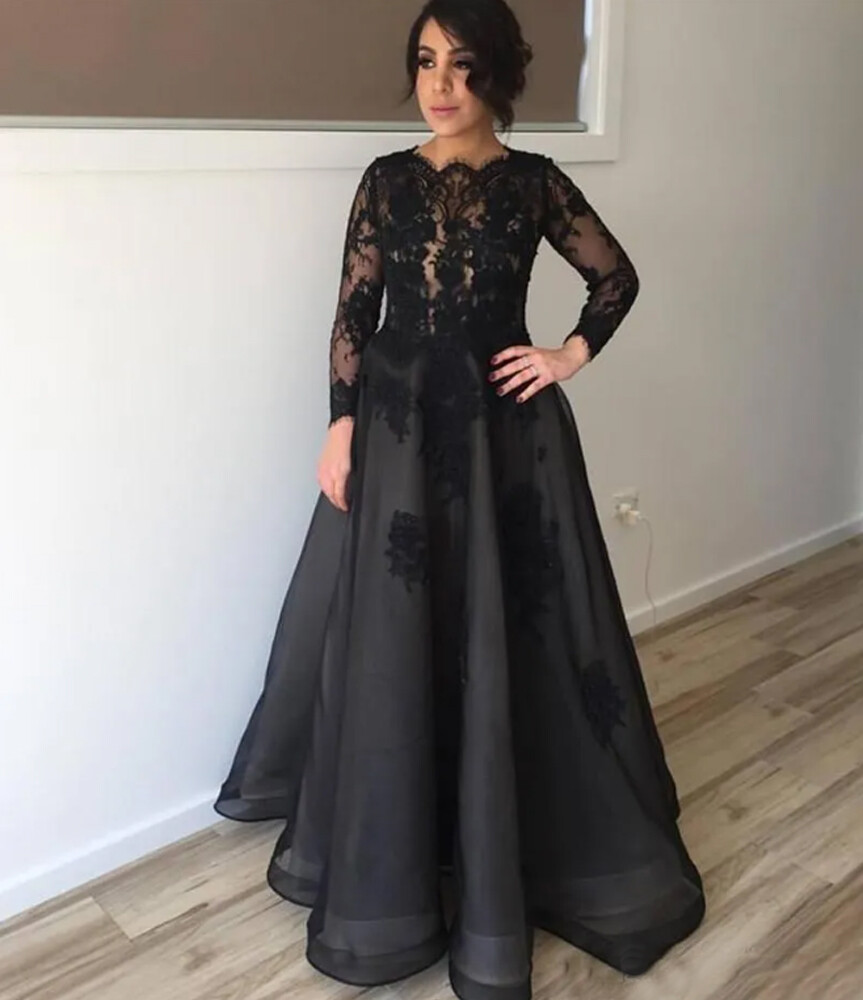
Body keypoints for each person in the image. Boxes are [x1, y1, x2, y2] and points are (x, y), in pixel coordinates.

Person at [213, 1, 706, 997]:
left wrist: (566, 355)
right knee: (398, 625)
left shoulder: (534, 182)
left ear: (498, 77)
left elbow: (614, 277)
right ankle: (408, 832)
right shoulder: (384, 179)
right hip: (396, 429)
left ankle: (496, 829)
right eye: (425, 61)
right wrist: (339, 424)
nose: (438, 85)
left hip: (499, 432)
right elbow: (352, 312)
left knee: (506, 623)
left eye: (462, 64)